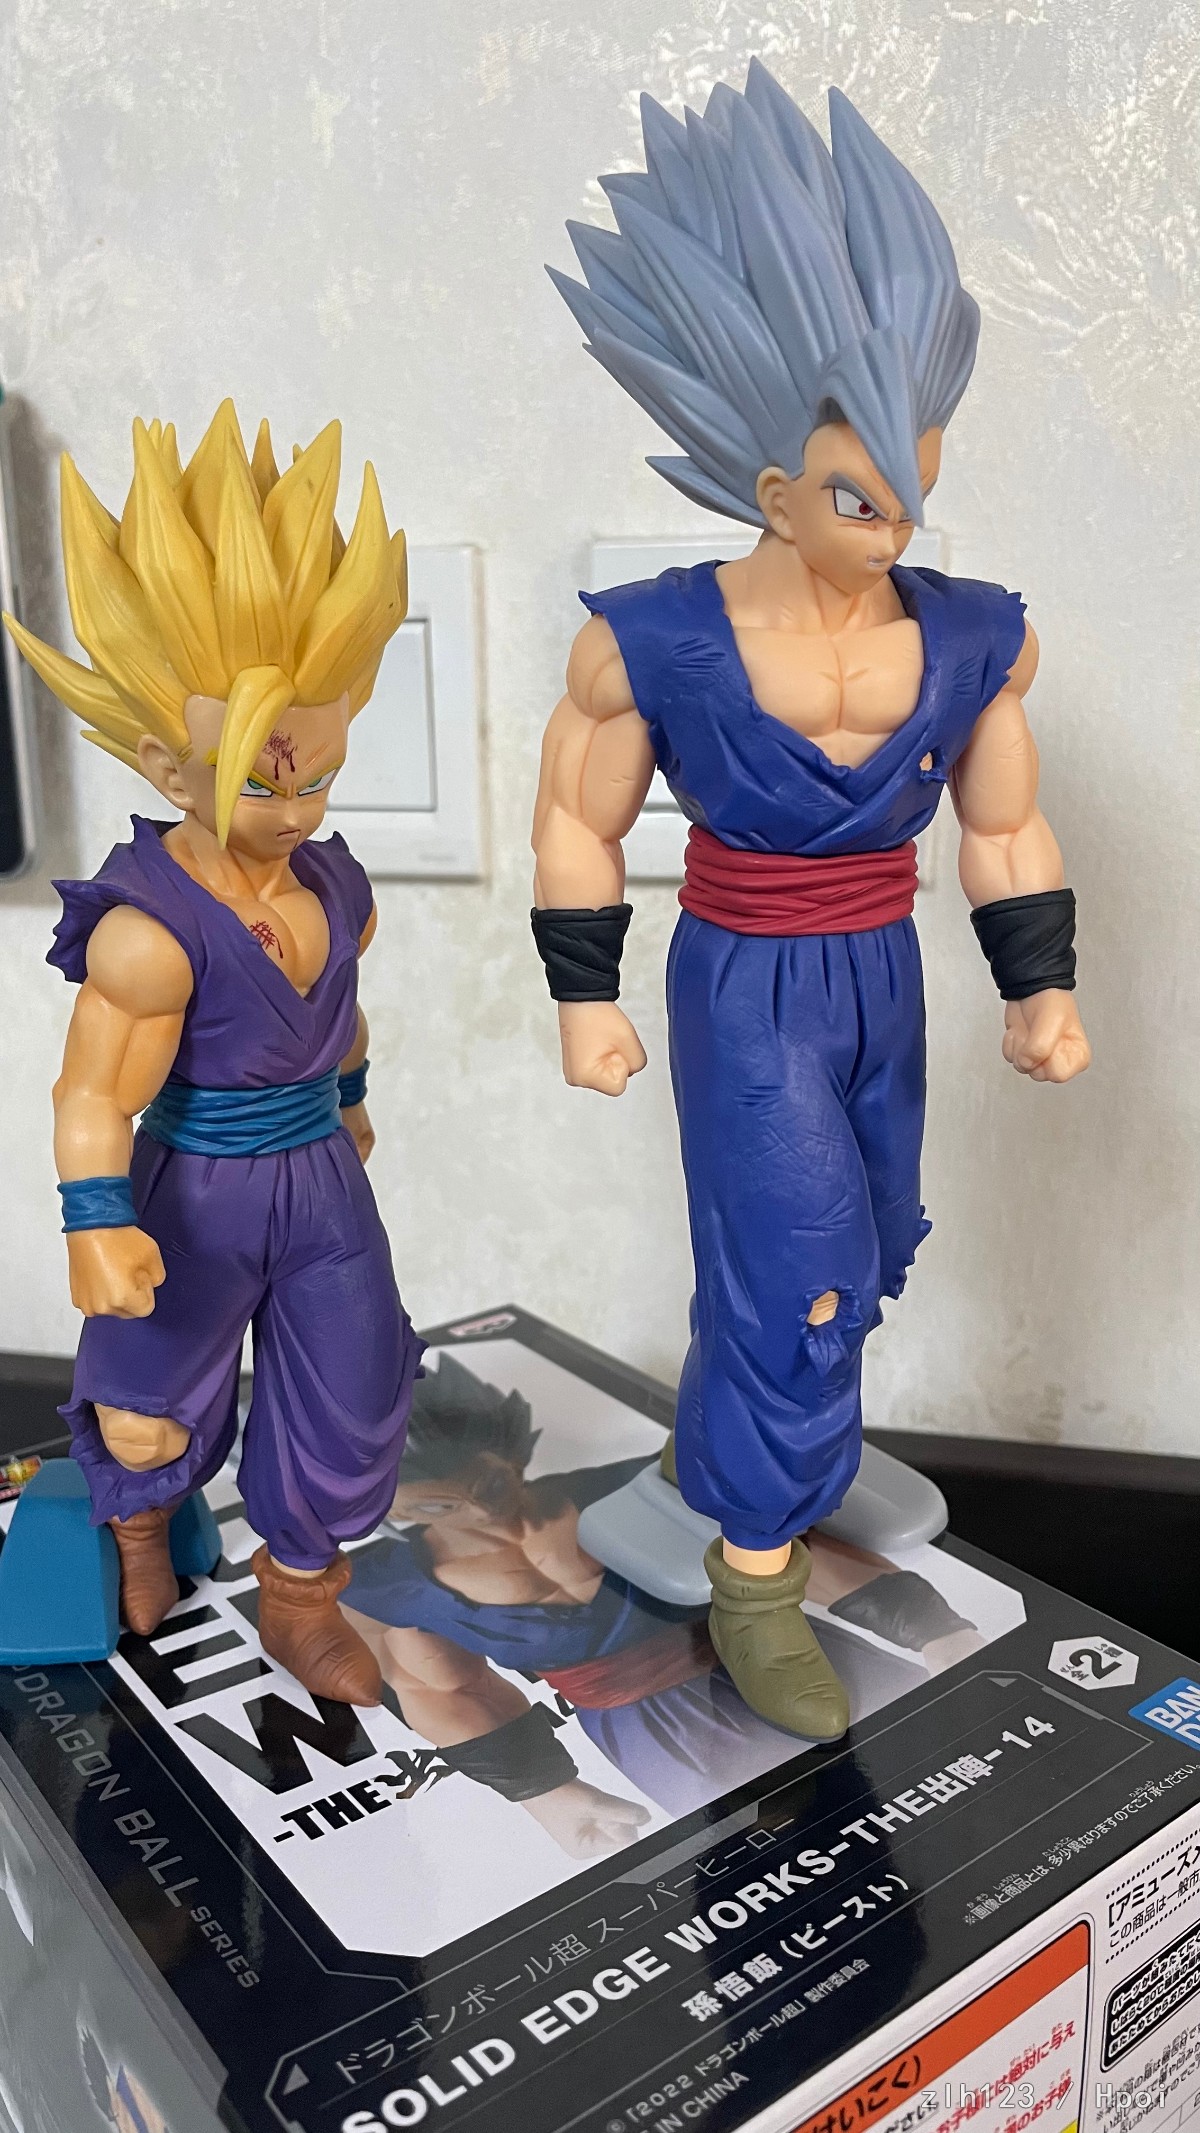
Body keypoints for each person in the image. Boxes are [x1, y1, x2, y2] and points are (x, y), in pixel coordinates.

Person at [531, 65, 1089, 1738]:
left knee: (866, 1244)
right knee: (802, 1262)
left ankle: (764, 1449)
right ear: (770, 487)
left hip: (878, 973)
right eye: (858, 492)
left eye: (919, 472)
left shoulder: (973, 631)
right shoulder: (654, 639)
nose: (901, 518)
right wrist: (584, 998)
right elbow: (576, 815)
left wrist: (1040, 985)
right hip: (745, 976)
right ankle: (756, 1566)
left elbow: (1005, 823)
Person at [4, 401, 423, 1705]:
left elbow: (342, 1013)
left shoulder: (338, 887)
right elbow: (92, 1089)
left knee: (351, 1394)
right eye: (260, 780)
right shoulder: (147, 936)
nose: (295, 810)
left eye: (317, 775)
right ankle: (140, 1534)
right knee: (146, 1407)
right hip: (194, 1186)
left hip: (322, 1184)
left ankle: (299, 1596)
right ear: (164, 763)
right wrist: (94, 1218)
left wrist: (350, 1097)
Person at [342, 1354, 982, 1844]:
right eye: (438, 1507)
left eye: (484, 1483)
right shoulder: (393, 1587)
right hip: (657, 1730)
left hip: (781, 1650)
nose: (482, 1512)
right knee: (780, 1855)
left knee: (946, 1766)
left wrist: (935, 1630)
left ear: (505, 1452)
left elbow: (781, 1554)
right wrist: (549, 1797)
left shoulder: (634, 1482)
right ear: (391, 1510)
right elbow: (446, 1692)